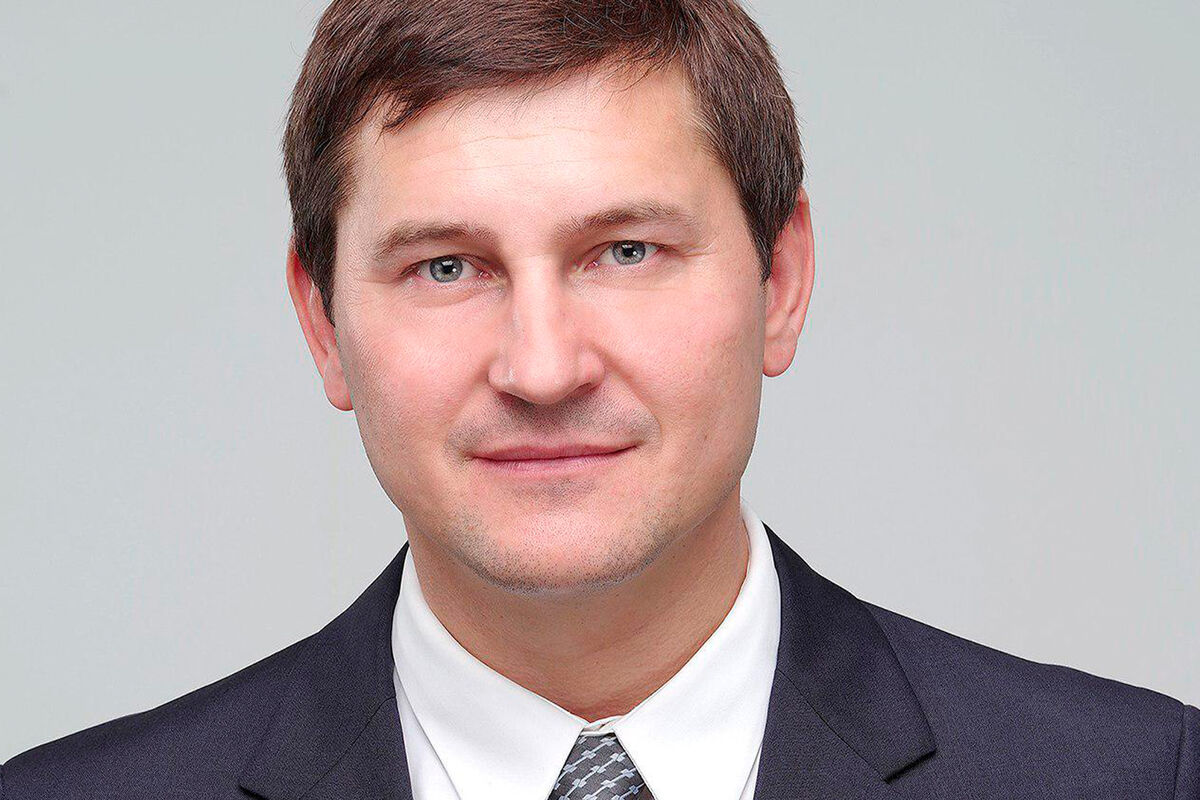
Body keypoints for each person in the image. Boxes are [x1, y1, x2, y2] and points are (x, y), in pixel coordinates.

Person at [3, 0, 1196, 798]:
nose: (542, 367)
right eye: (447, 267)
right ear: (323, 324)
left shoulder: (1135, 778)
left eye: (626, 251)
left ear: (781, 282)